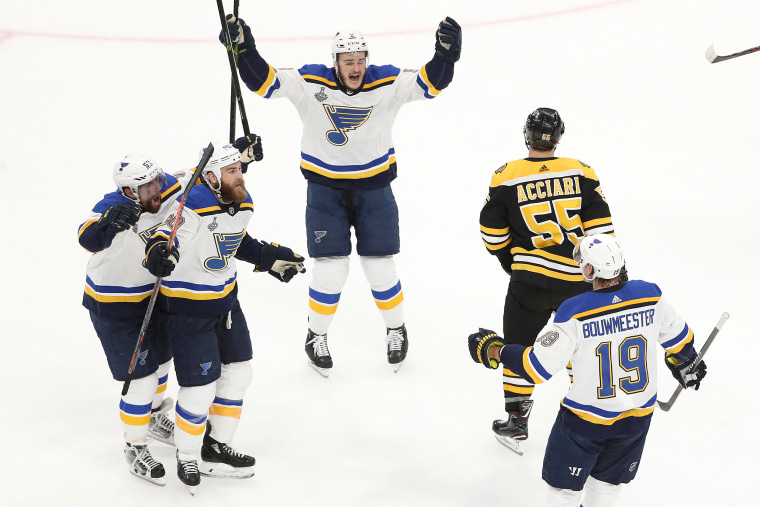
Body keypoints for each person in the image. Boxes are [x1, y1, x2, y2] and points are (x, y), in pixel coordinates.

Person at [218, 14, 462, 375]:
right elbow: (264, 83)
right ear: (336, 62)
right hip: (325, 190)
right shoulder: (311, 81)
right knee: (331, 271)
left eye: (361, 60)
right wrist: (245, 50)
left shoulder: (387, 81)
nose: (357, 67)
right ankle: (315, 335)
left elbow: (431, 85)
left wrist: (446, 56)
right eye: (349, 61)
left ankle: (396, 329)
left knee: (380, 267)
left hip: (375, 189)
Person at [468, 234, 707, 506]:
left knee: (564, 493)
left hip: (585, 422)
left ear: (590, 270)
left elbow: (536, 368)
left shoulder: (575, 312)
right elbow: (680, 341)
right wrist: (686, 362)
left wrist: (494, 350)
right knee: (606, 488)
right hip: (636, 419)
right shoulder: (650, 295)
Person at [143, 140, 306, 493]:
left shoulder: (241, 201)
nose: (240, 176)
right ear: (212, 177)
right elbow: (165, 235)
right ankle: (188, 455)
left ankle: (215, 446)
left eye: (240, 169)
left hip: (226, 304)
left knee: (238, 373)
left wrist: (268, 258)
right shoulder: (191, 204)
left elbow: (233, 239)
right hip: (189, 311)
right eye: (232, 171)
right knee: (199, 388)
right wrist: (158, 252)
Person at [478, 107, 616, 445]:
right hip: (578, 281)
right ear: (558, 136)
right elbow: (602, 232)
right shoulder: (581, 171)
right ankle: (590, 414)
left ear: (527, 135)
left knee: (518, 346)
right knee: (581, 346)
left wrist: (514, 262)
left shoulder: (505, 175)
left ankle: (516, 421)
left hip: (530, 282)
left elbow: (491, 232)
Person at [78, 155, 192, 485]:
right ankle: (134, 445)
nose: (156, 189)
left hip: (153, 296)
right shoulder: (111, 205)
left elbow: (196, 174)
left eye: (156, 180)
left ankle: (155, 416)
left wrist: (235, 160)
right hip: (113, 304)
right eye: (146, 186)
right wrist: (108, 223)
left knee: (162, 363)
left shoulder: (165, 186)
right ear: (128, 191)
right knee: (140, 379)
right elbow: (88, 237)